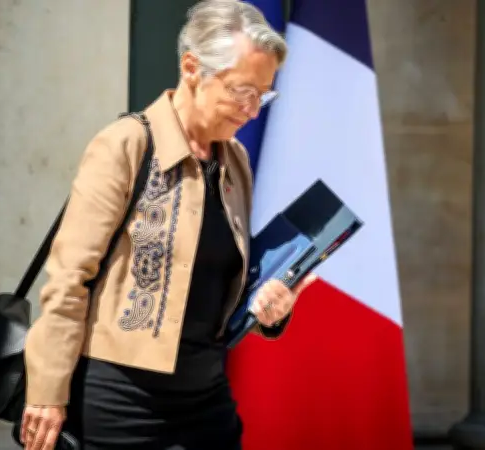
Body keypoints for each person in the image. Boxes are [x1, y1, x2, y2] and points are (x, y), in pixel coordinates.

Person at [20, 1, 314, 449]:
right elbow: (67, 280)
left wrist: (270, 308)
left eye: (262, 95)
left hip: (207, 401)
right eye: (242, 91)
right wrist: (46, 393)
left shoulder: (235, 160)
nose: (253, 110)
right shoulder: (126, 145)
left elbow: (217, 284)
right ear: (192, 68)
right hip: (120, 407)